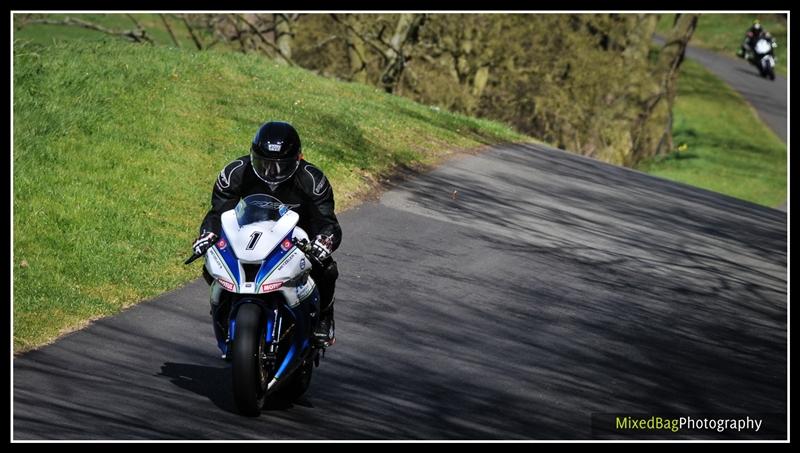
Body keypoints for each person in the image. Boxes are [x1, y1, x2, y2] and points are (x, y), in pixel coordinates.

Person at [192, 121, 341, 352]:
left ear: (298, 158)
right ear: (252, 155)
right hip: (252, 232)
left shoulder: (313, 180)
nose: (271, 172)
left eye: (281, 166)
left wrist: (324, 241)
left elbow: (328, 223)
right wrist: (207, 234)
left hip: (298, 237)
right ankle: (224, 305)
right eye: (263, 163)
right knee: (211, 261)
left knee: (327, 269)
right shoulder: (234, 173)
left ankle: (324, 317)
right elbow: (217, 213)